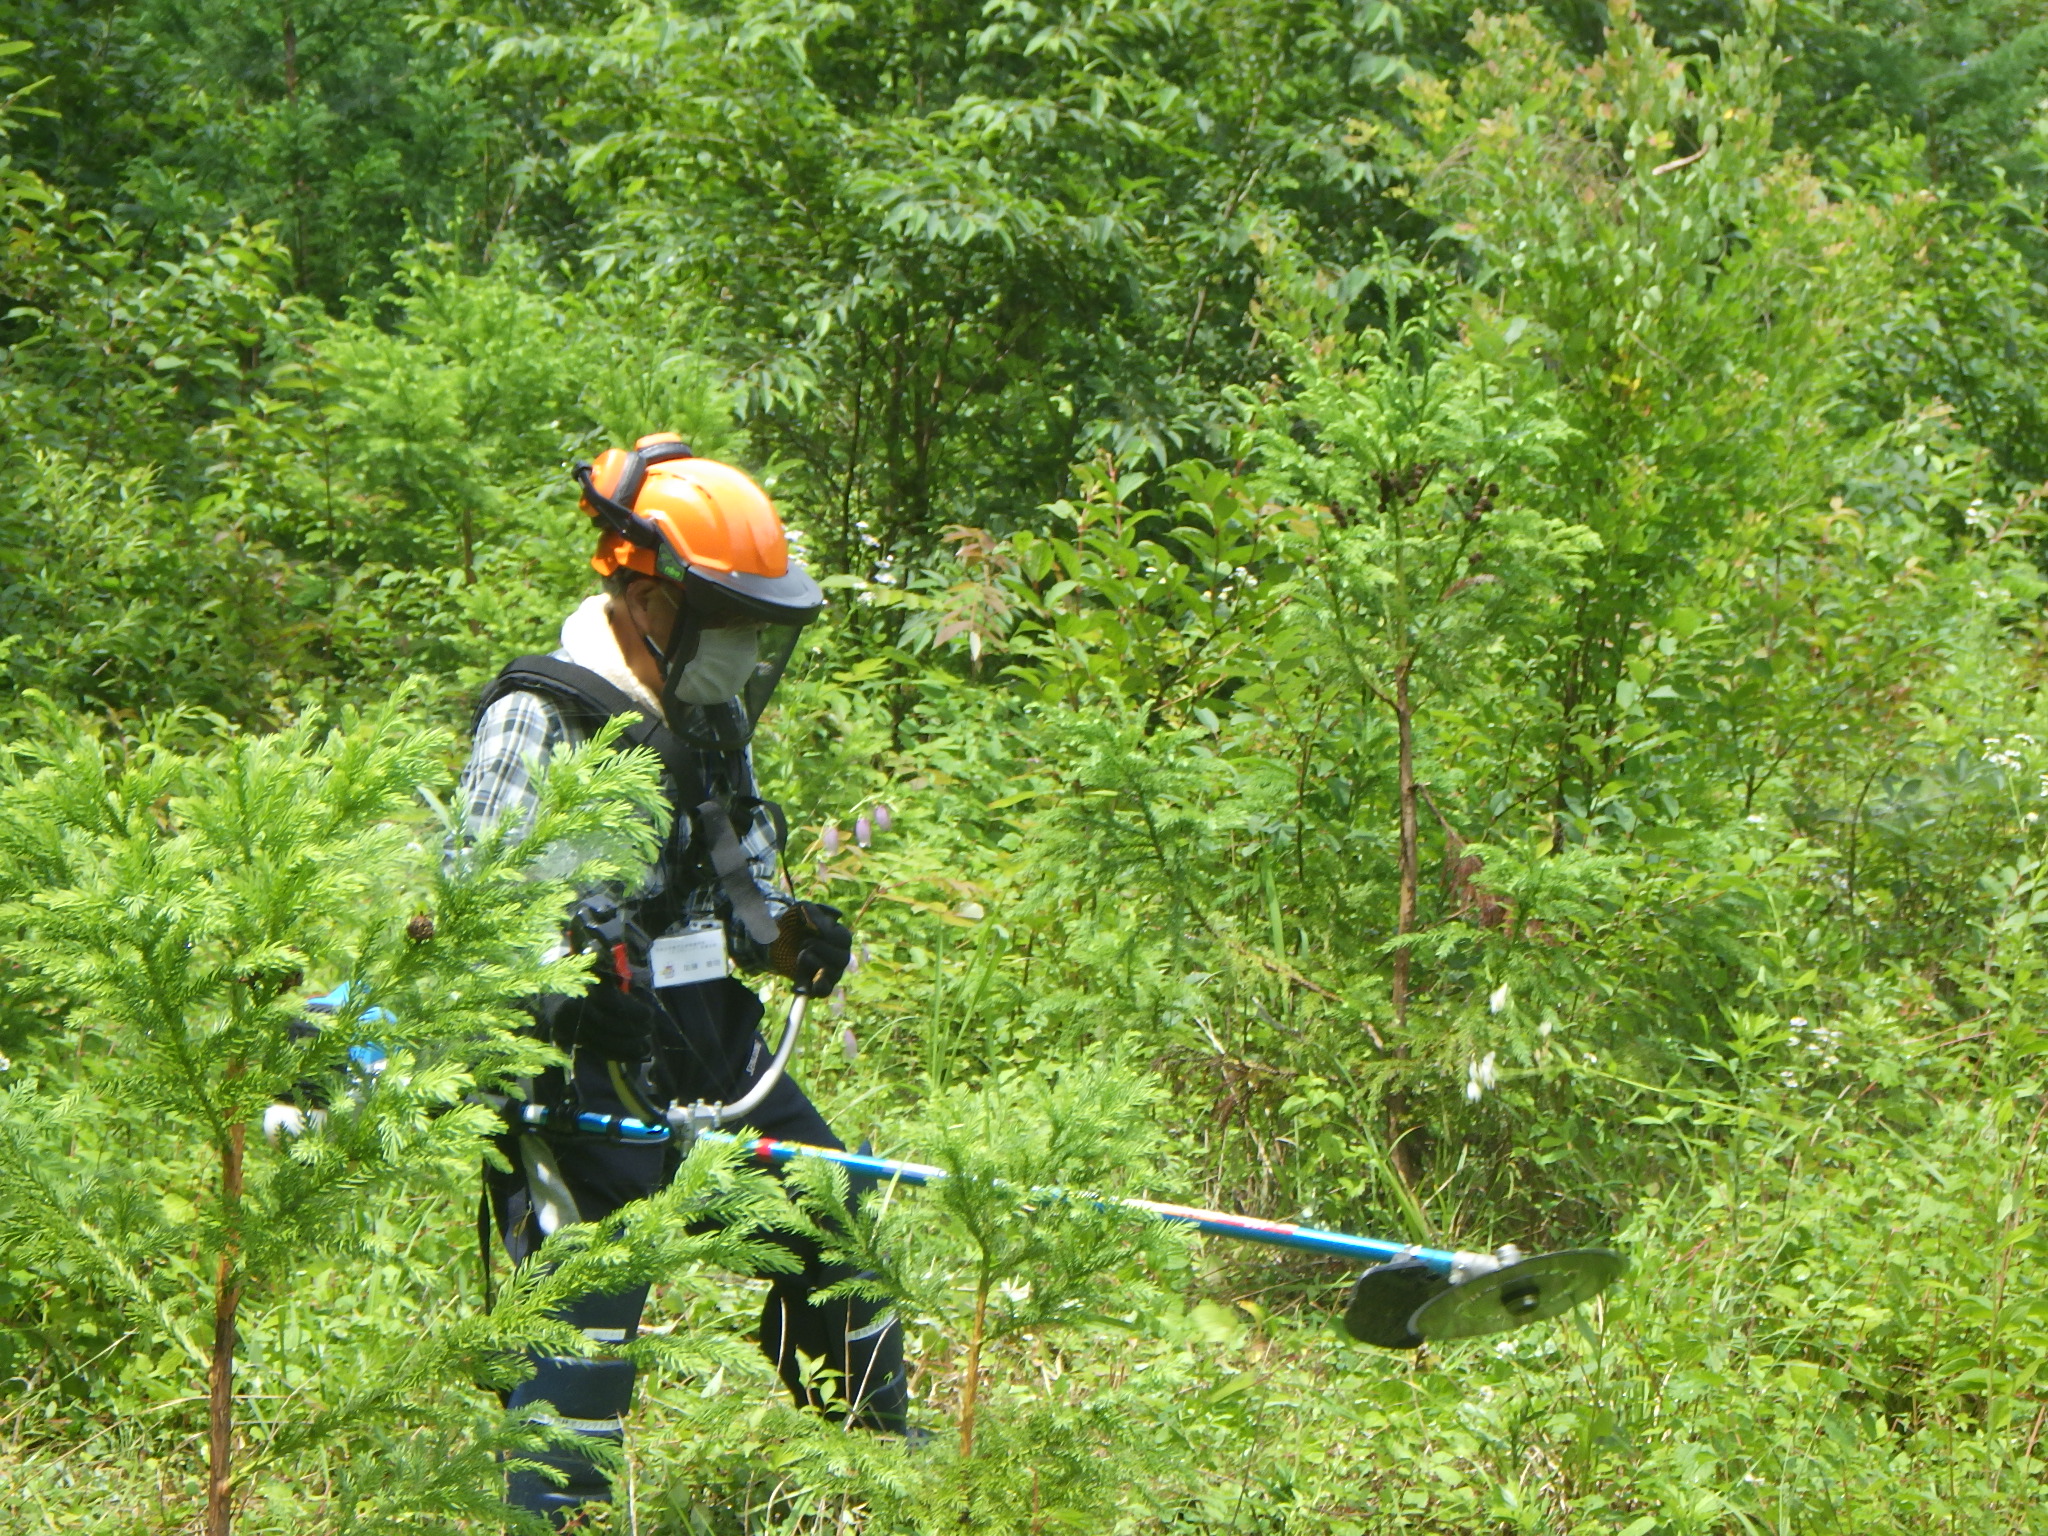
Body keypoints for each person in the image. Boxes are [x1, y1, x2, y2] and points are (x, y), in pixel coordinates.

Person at [456, 433, 908, 1525]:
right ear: (651, 599)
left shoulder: (708, 721)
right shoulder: (541, 717)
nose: (746, 647)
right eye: (731, 620)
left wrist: (793, 940)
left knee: (833, 1212)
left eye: (760, 624)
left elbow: (739, 887)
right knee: (589, 1305)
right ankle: (555, 1512)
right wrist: (558, 979)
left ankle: (878, 1471)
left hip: (707, 1033)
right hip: (579, 1054)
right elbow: (472, 911)